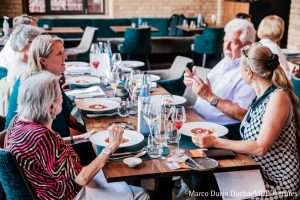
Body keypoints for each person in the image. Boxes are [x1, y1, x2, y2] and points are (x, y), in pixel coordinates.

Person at [4, 71, 149, 200]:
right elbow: (82, 178)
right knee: (142, 194)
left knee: (117, 179)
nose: (62, 98)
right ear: (50, 106)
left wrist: (83, 137)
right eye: (60, 95)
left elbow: (50, 148)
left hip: (59, 183)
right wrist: (111, 147)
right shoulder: (40, 136)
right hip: (68, 193)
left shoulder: (19, 120)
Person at [192, 44, 300, 199]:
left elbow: (260, 147)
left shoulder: (278, 97)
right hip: (256, 171)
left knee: (208, 191)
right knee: (204, 184)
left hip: (276, 182)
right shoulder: (260, 96)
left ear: (249, 74)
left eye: (240, 69)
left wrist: (215, 142)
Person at [5, 35, 96, 165]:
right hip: (41, 158)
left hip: (42, 146)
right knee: (103, 149)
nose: (65, 57)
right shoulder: (41, 89)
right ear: (43, 61)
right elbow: (55, 136)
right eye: (59, 54)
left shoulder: (39, 79)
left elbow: (67, 118)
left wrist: (87, 130)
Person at [184, 18, 256, 125]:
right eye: (225, 40)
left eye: (232, 43)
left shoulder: (249, 72)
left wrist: (208, 96)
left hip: (213, 129)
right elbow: (212, 89)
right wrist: (194, 81)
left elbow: (241, 113)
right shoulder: (227, 60)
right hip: (196, 116)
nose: (226, 47)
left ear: (247, 46)